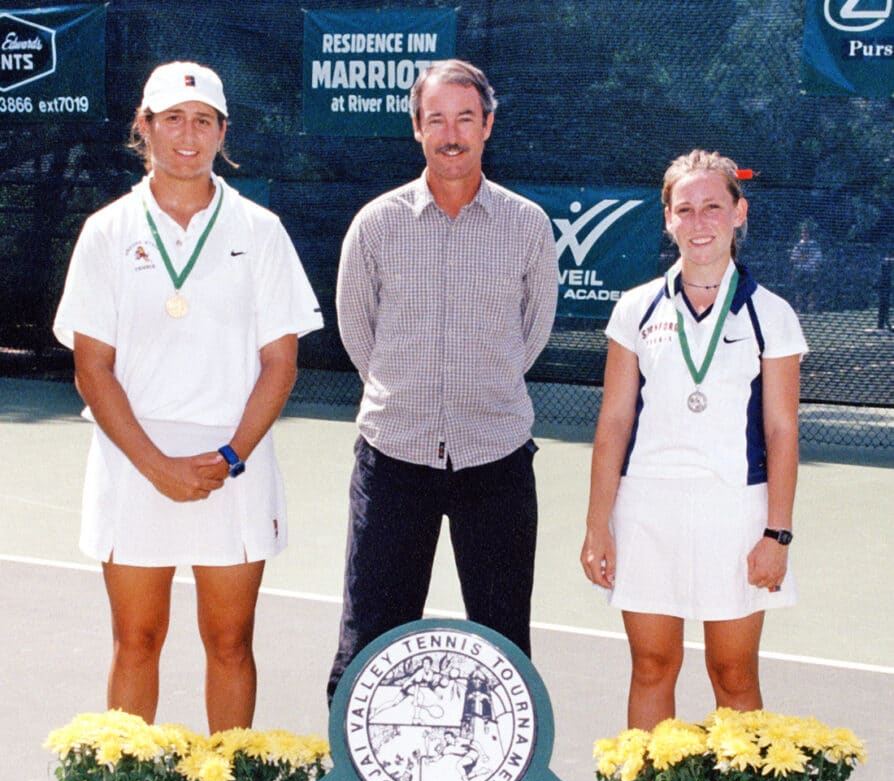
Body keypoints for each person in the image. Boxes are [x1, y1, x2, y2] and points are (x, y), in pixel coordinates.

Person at [53, 62, 323, 731]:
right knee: (136, 641)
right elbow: (93, 369)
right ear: (143, 127)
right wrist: (156, 465)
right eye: (172, 118)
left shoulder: (260, 230)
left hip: (232, 465)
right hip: (132, 462)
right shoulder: (107, 231)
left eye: (203, 121)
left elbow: (280, 365)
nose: (187, 135)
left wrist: (229, 457)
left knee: (230, 643)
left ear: (222, 133)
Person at [326, 59, 558, 704]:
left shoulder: (527, 225)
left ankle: (501, 765)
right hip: (393, 459)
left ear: (487, 125)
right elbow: (357, 332)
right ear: (417, 128)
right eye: (436, 120)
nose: (451, 134)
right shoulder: (376, 223)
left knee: (504, 641)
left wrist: (480, 391)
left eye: (464, 119)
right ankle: (355, 765)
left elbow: (533, 332)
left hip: (497, 458)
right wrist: (408, 397)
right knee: (369, 639)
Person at [580, 150, 807, 731]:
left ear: (739, 213)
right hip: (646, 510)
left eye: (713, 207)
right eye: (685, 209)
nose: (699, 222)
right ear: (667, 219)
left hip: (736, 514)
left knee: (734, 675)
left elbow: (782, 431)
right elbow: (614, 421)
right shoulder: (635, 308)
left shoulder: (772, 314)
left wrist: (777, 534)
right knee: (652, 667)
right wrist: (598, 524)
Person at [789, 223, 822, 312]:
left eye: (806, 233)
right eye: (803, 233)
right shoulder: (798, 245)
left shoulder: (814, 245)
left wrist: (815, 269)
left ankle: (810, 308)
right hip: (800, 270)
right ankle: (799, 307)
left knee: (811, 289)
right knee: (799, 289)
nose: (804, 235)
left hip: (811, 270)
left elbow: (818, 258)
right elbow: (793, 258)